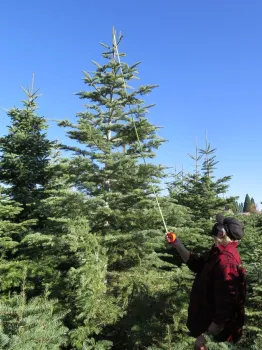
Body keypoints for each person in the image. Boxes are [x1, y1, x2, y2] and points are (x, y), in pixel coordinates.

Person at [166, 214, 246, 350]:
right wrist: (177, 244)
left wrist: (206, 338)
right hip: (204, 325)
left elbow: (225, 309)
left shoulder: (226, 262)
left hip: (216, 339)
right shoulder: (217, 252)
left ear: (222, 233)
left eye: (218, 226)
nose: (215, 228)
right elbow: (196, 265)